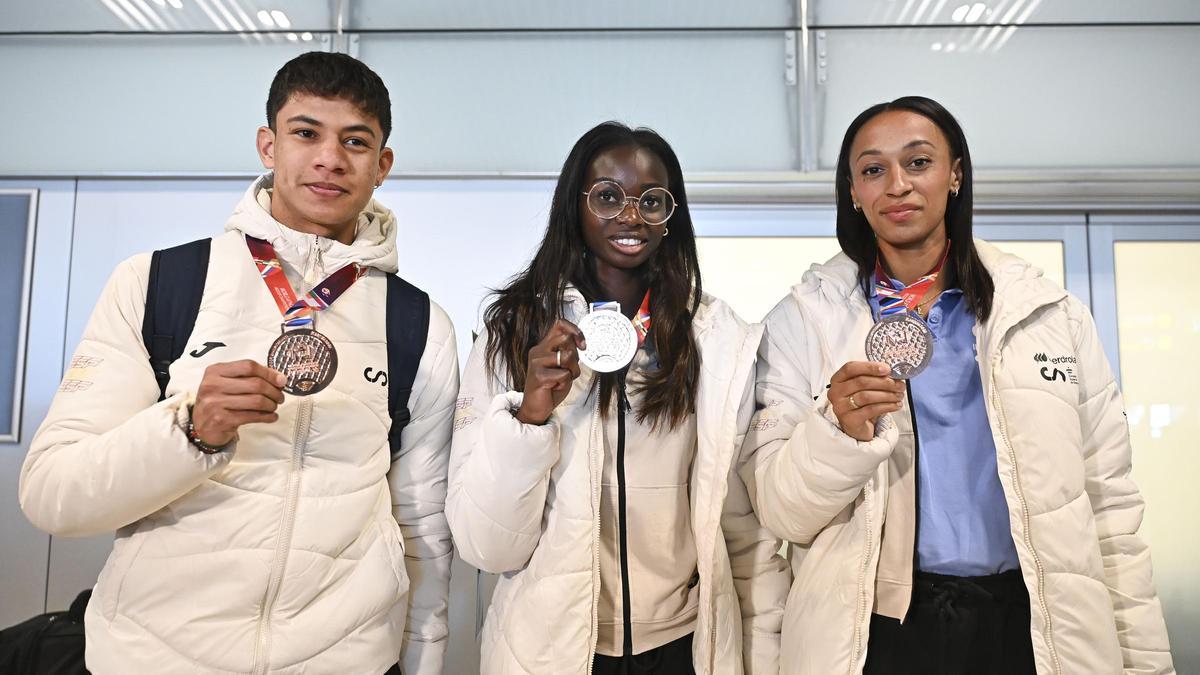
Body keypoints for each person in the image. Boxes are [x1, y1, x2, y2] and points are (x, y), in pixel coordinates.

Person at [19, 52, 458, 674]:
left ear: (382, 164)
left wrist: (420, 665)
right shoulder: (160, 283)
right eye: (306, 133)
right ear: (268, 145)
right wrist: (189, 431)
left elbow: (422, 532)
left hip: (343, 659)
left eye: (355, 141)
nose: (330, 158)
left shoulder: (417, 325)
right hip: (156, 657)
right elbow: (53, 497)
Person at [741, 96, 1174, 675]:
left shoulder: (1047, 314)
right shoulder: (801, 322)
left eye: (918, 162)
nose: (897, 185)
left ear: (955, 175)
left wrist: (1145, 663)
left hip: (1034, 623)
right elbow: (779, 515)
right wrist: (836, 434)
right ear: (852, 191)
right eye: (873, 170)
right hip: (876, 631)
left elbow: (1110, 510)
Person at [447, 121, 790, 674]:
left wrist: (766, 655)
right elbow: (487, 546)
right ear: (575, 206)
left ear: (671, 215)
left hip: (683, 648)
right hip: (551, 651)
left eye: (651, 200)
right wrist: (529, 417)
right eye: (608, 196)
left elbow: (743, 531)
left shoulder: (715, 340)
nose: (630, 216)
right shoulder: (514, 333)